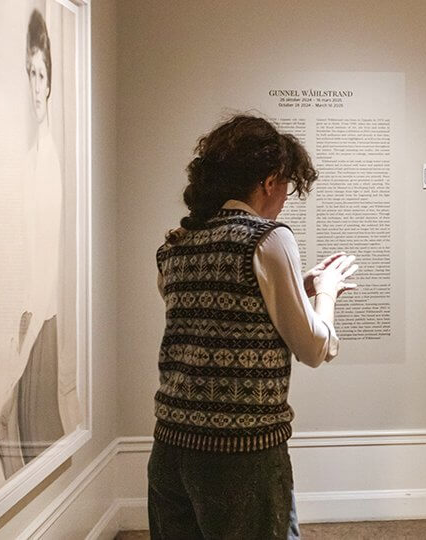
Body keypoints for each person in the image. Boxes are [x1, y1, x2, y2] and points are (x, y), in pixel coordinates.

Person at [148, 114, 357, 539]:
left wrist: (298, 287)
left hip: (171, 446)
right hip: (241, 453)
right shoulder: (267, 238)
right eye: (286, 186)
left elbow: (217, 317)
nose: (284, 198)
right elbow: (315, 349)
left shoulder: (176, 242)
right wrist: (327, 292)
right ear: (269, 181)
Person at [0, 8, 66, 478]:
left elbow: (47, 254)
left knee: (26, 428)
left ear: (49, 82)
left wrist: (27, 331)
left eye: (40, 73)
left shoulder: (49, 156)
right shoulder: (30, 153)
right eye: (28, 71)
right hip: (32, 312)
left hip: (43, 315)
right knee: (14, 428)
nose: (34, 83)